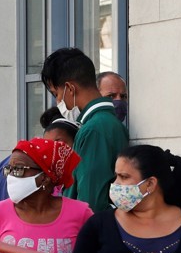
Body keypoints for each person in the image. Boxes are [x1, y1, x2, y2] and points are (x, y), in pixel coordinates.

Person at [41, 48, 129, 213]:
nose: (58, 100)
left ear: (70, 88)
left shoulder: (94, 129)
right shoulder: (104, 123)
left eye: (56, 93)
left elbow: (90, 202)